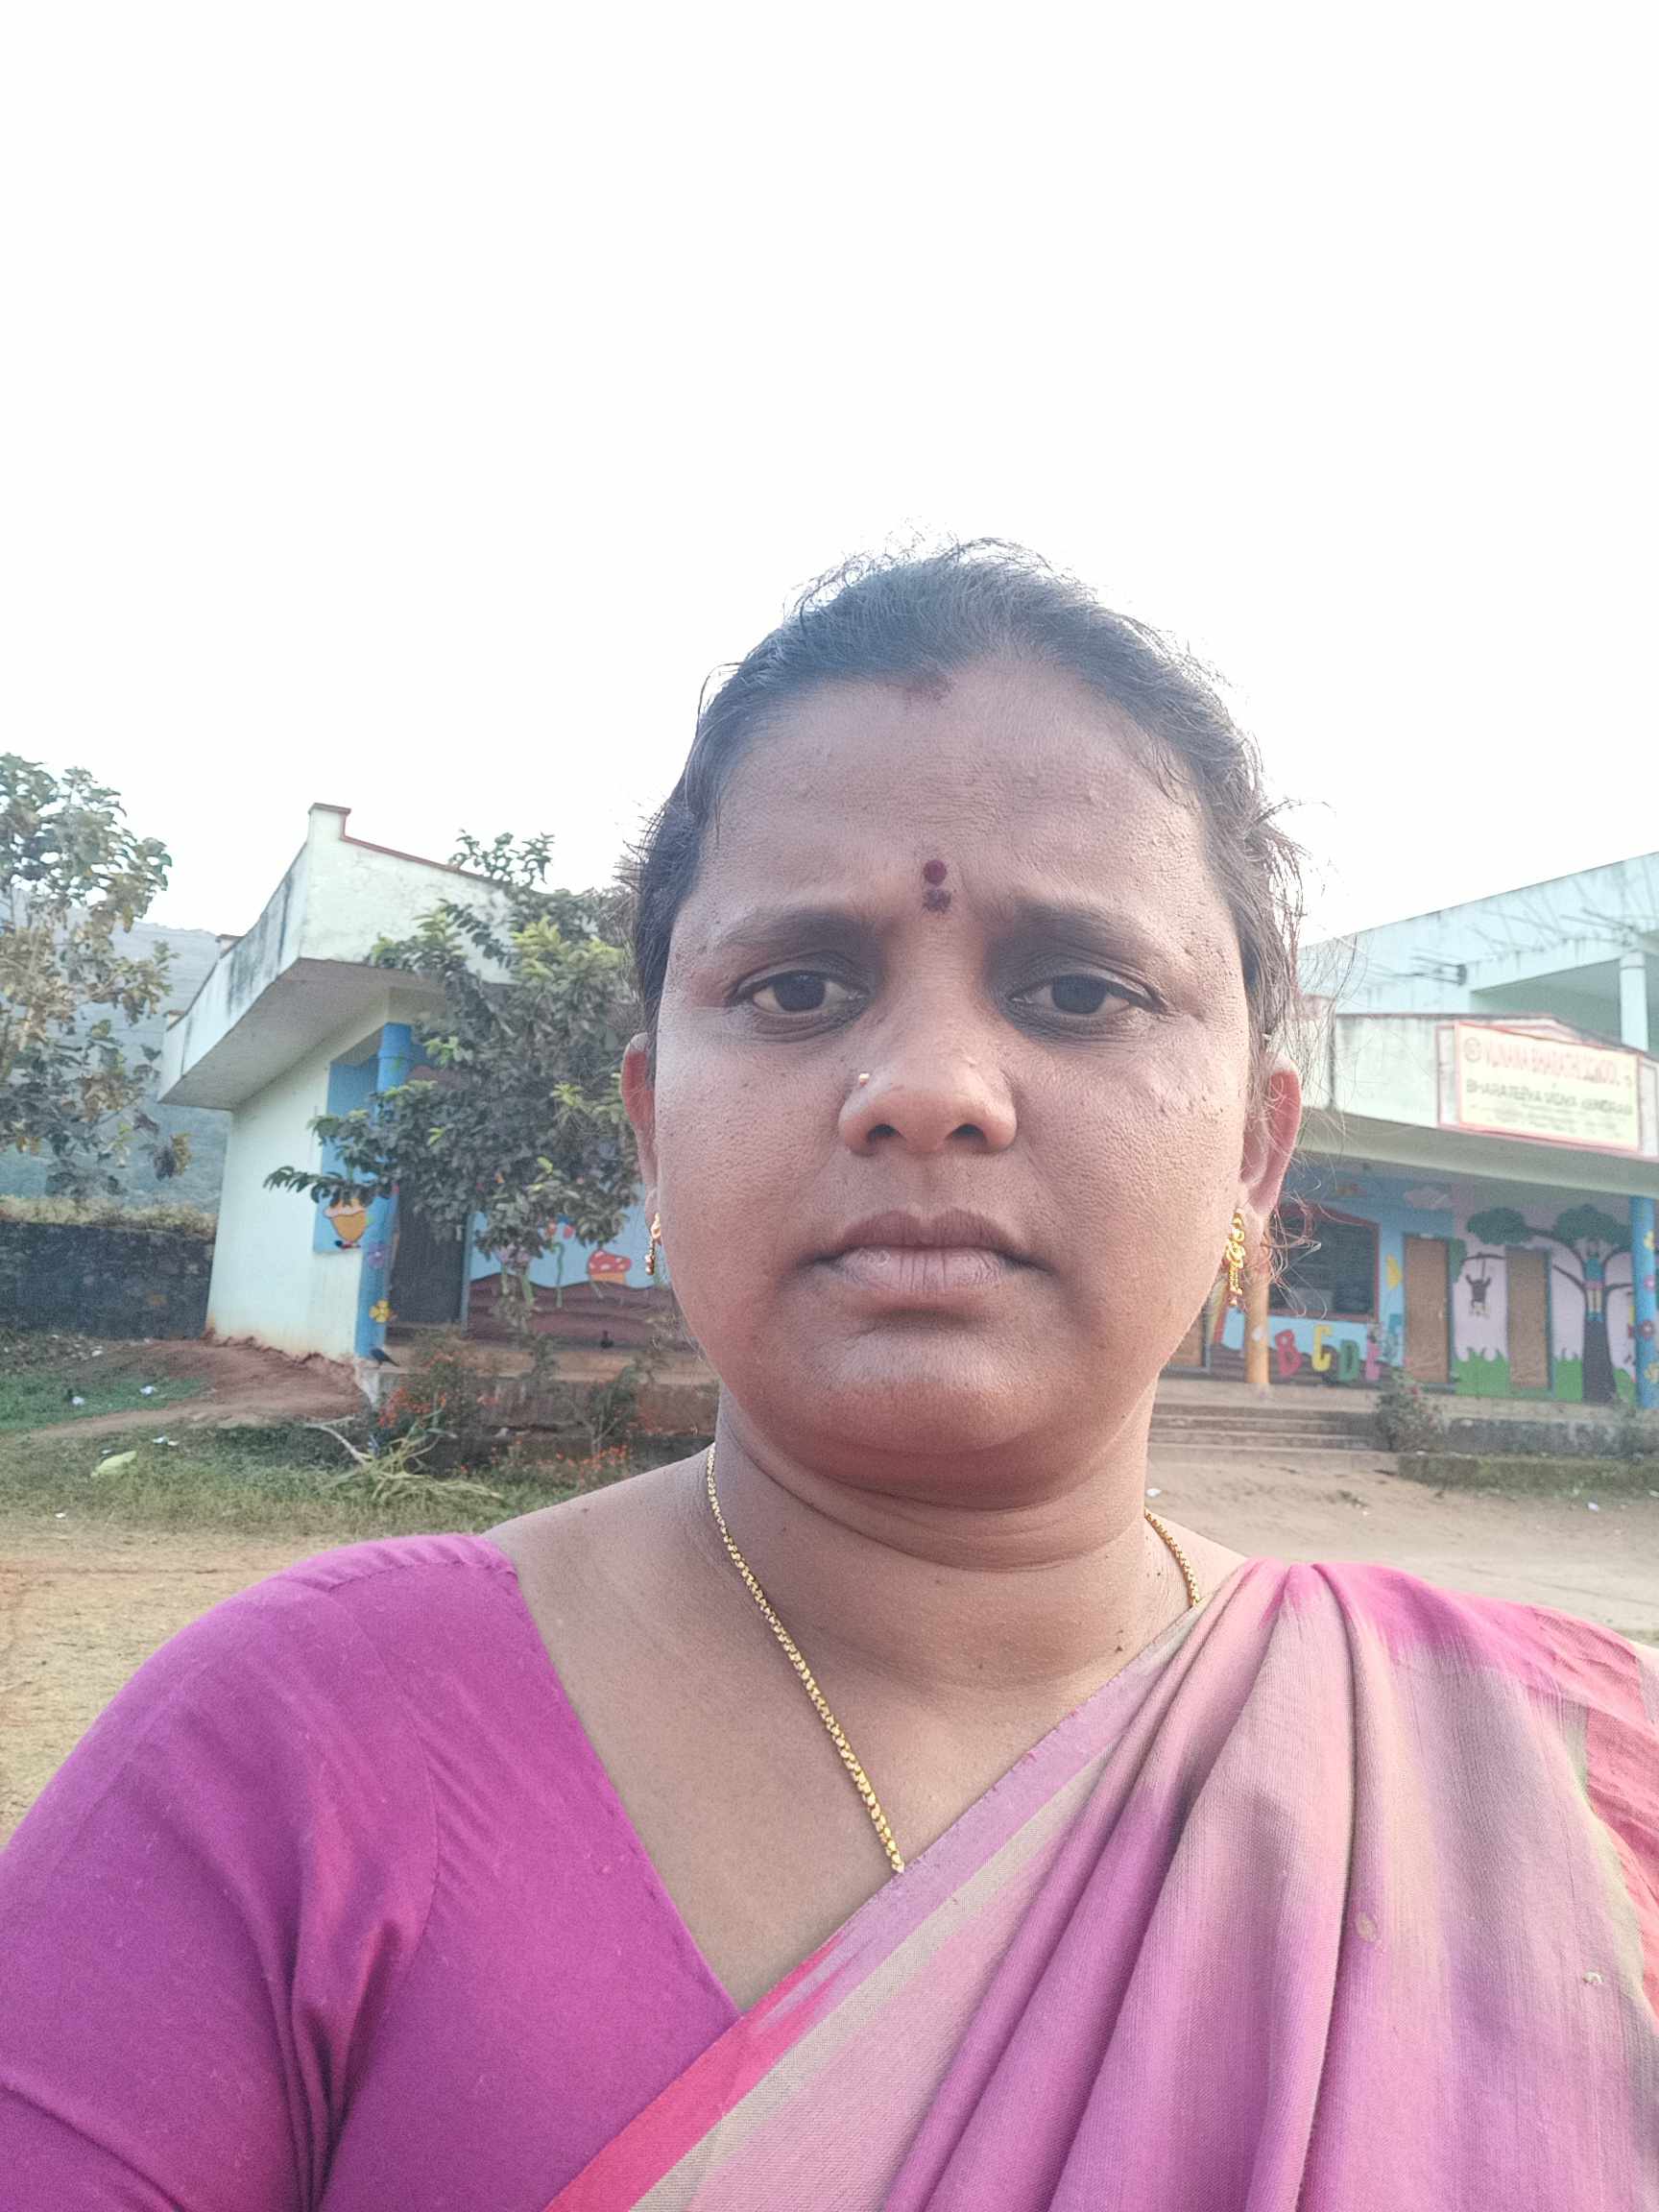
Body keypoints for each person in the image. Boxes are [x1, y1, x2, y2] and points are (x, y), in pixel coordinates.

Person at [2, 544, 1655, 2209]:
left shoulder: (1574, 1795)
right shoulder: (276, 1767)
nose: (930, 1090)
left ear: (1254, 1150)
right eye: (796, 987)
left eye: (1079, 991)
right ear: (653, 1129)